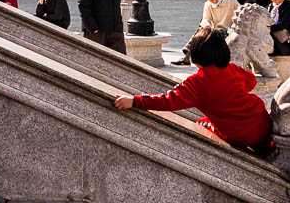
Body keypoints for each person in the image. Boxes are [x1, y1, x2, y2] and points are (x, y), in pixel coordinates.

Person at [114, 26, 273, 156]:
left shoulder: (196, 83)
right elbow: (251, 81)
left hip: (237, 134)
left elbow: (167, 101)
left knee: (201, 123)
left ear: (195, 55)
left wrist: (134, 101)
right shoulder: (231, 69)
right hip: (262, 122)